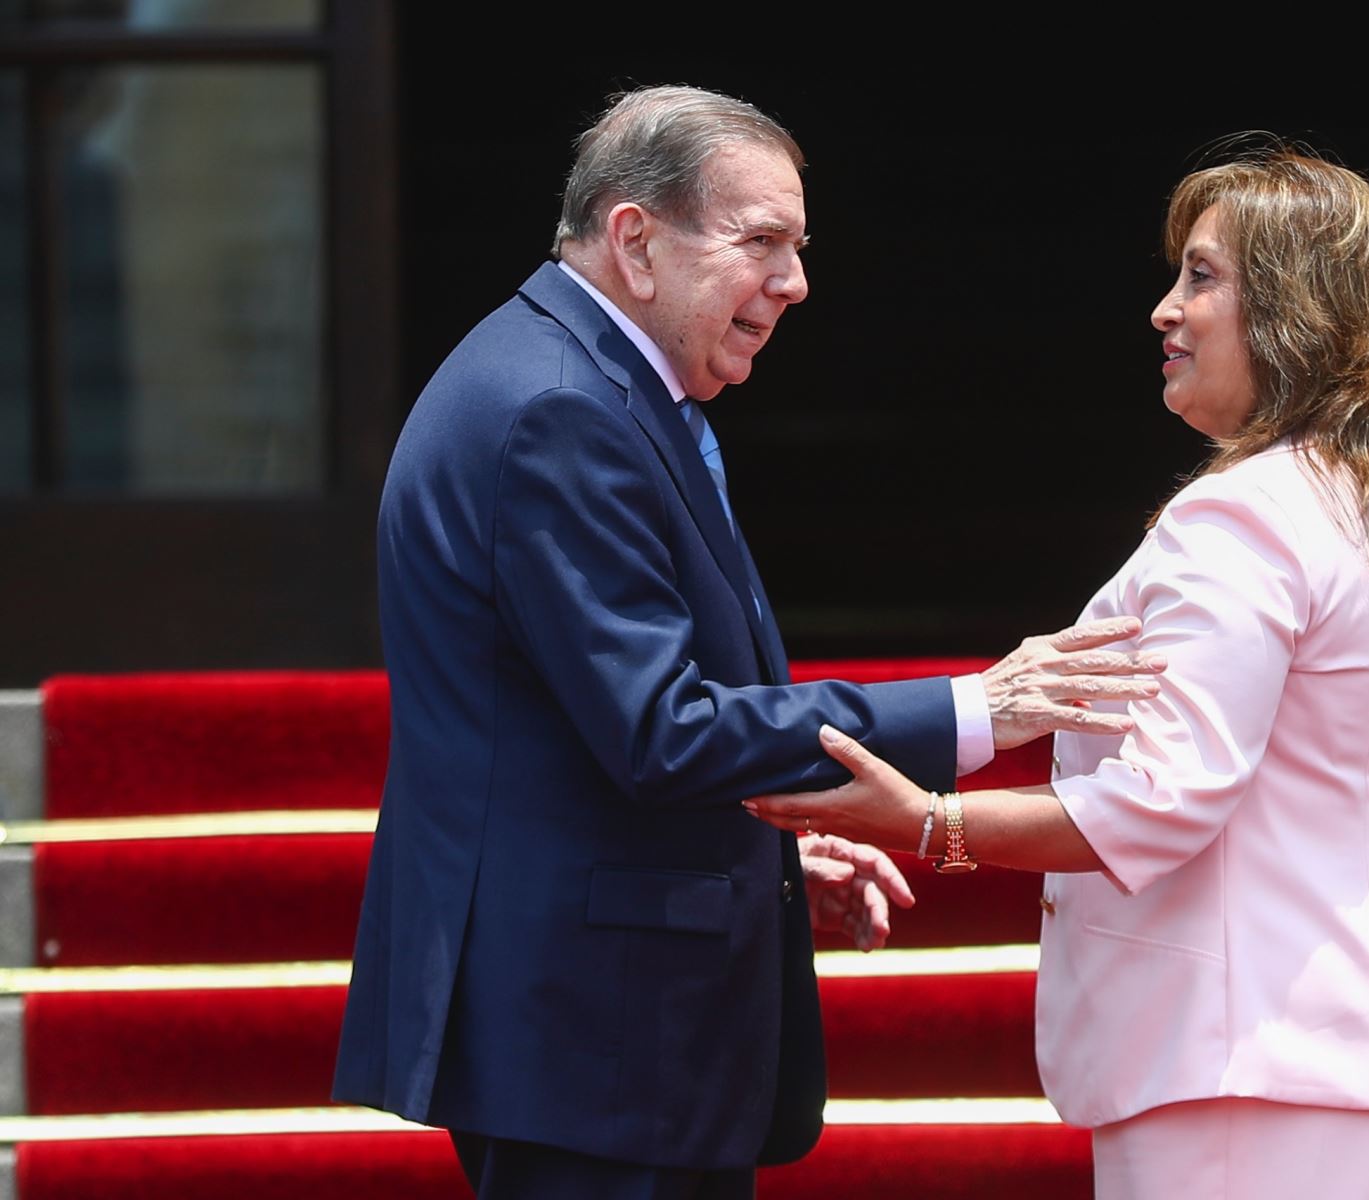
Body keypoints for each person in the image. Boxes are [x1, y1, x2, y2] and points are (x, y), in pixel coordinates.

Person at [331, 85, 1161, 1200]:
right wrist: (977, 709)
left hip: (606, 1022)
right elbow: (660, 729)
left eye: (799, 245)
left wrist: (762, 857)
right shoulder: (557, 409)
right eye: (760, 241)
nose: (794, 281)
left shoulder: (591, 381)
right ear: (635, 240)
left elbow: (582, 735)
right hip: (592, 1032)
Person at [748, 149, 1369, 1200]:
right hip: (1355, 1048)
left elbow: (1159, 800)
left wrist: (927, 821)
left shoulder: (1244, 511)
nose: (1165, 311)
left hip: (1246, 1062)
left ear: (1296, 310)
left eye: (1202, 276)